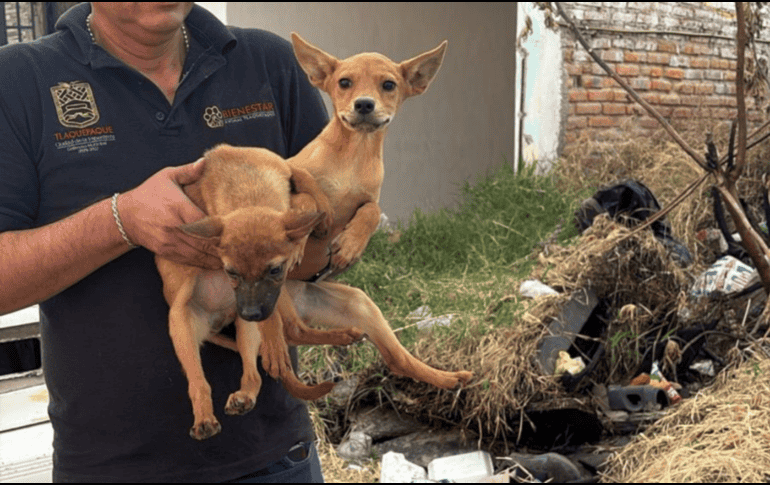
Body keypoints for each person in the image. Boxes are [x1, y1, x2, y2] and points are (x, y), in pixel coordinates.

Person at [0, 2, 329, 482]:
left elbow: (322, 251)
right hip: (112, 468)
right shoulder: (19, 81)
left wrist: (318, 228)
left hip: (276, 459)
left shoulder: (270, 64)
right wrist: (120, 221)